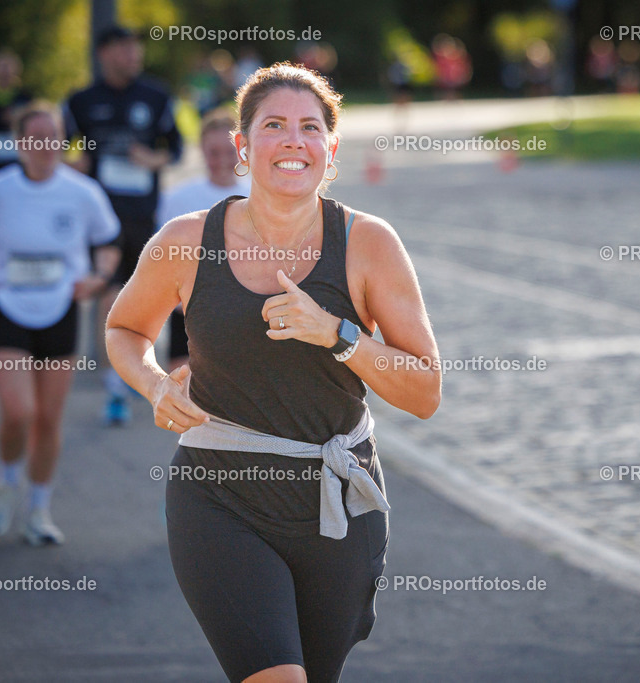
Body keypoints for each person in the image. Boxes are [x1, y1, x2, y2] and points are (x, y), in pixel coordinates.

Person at [106, 63, 440, 682]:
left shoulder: (368, 245)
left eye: (311, 128)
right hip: (219, 497)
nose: (294, 140)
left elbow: (423, 391)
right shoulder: (186, 240)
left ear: (331, 149)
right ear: (241, 146)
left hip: (336, 501)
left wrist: (337, 334)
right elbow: (124, 329)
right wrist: (154, 382)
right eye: (274, 126)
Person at [0, 103, 120, 545]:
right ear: (18, 143)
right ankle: (6, 482)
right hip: (6, 306)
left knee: (49, 419)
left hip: (60, 308)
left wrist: (99, 278)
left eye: (52, 136)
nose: (45, 145)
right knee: (19, 411)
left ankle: (39, 511)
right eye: (34, 137)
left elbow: (109, 242)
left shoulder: (82, 191)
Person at [63, 24, 182, 425]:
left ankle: (137, 370)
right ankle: (115, 385)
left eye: (137, 50)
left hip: (144, 216)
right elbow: (58, 151)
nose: (134, 56)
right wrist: (75, 166)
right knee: (107, 295)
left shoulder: (155, 95)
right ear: (105, 54)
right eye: (125, 50)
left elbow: (176, 148)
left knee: (146, 300)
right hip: (100, 219)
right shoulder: (81, 101)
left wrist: (153, 159)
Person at [156, 110, 248, 371]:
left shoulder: (258, 194)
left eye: (229, 152)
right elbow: (161, 257)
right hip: (188, 312)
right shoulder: (177, 198)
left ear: (242, 149)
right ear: (201, 150)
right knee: (185, 394)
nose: (221, 160)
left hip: (244, 313)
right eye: (213, 152)